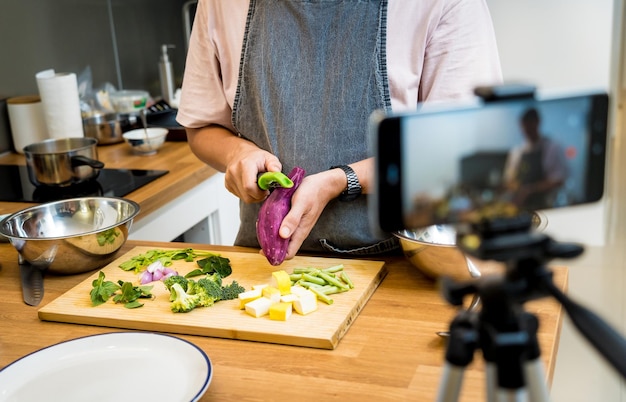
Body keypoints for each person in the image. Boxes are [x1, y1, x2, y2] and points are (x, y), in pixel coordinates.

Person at [177, 0, 503, 260]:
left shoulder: (443, 5)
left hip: (396, 268)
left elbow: (461, 149)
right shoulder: (221, 4)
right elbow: (202, 125)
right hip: (262, 267)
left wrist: (341, 181)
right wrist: (238, 152)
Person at [503, 108, 570, 210]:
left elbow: (558, 180)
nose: (527, 130)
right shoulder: (517, 152)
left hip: (546, 206)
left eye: (530, 125)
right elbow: (509, 179)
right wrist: (514, 187)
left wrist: (530, 190)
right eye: (524, 126)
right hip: (521, 208)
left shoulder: (552, 148)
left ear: (537, 123)